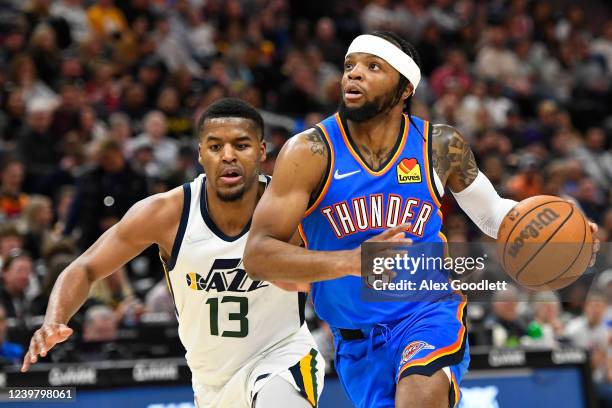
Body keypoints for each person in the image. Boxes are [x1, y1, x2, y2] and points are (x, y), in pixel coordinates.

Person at [244, 31, 600, 408]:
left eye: (373, 66)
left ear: (404, 90)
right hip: (354, 339)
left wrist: (565, 242)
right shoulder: (309, 152)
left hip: (427, 312)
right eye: (350, 66)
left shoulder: (440, 146)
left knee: (420, 394)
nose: (354, 75)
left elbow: (494, 215)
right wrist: (351, 261)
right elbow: (258, 255)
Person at [21, 98, 324, 408]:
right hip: (210, 383)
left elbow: (353, 262)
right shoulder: (167, 213)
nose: (228, 156)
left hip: (282, 359)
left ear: (261, 151)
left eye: (241, 145)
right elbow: (84, 267)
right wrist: (52, 320)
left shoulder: (297, 209)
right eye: (216, 147)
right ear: (200, 153)